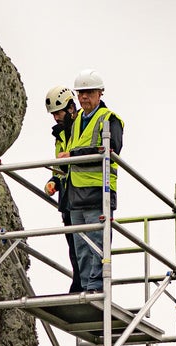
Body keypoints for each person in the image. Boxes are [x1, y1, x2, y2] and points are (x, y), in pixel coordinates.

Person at [60, 69, 123, 294]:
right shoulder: (76, 121)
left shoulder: (109, 118)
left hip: (99, 191)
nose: (84, 97)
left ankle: (96, 289)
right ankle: (86, 288)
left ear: (100, 93)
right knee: (81, 247)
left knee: (97, 242)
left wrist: (74, 155)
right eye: (81, 93)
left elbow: (111, 149)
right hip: (76, 193)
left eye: (89, 92)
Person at [42, 86, 82, 293]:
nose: (56, 117)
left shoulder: (81, 126)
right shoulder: (59, 135)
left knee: (85, 244)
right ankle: (78, 282)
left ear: (70, 108)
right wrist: (54, 181)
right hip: (68, 196)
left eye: (58, 112)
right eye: (53, 114)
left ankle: (85, 285)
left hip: (82, 193)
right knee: (73, 246)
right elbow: (60, 167)